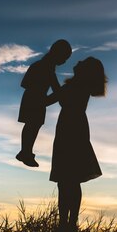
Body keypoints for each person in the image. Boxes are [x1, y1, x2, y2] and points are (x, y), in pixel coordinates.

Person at [45, 56, 107, 232]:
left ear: (86, 71)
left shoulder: (77, 86)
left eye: (82, 63)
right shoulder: (78, 86)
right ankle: (68, 223)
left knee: (67, 179)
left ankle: (67, 224)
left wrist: (50, 78)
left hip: (70, 130)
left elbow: (57, 100)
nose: (77, 62)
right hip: (73, 128)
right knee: (69, 179)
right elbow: (55, 99)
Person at [16, 39, 72, 167]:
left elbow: (24, 83)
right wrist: (54, 93)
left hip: (34, 98)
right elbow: (53, 86)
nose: (64, 62)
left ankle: (26, 151)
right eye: (64, 58)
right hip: (34, 99)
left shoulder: (42, 65)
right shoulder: (45, 67)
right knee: (32, 125)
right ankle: (25, 152)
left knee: (32, 125)